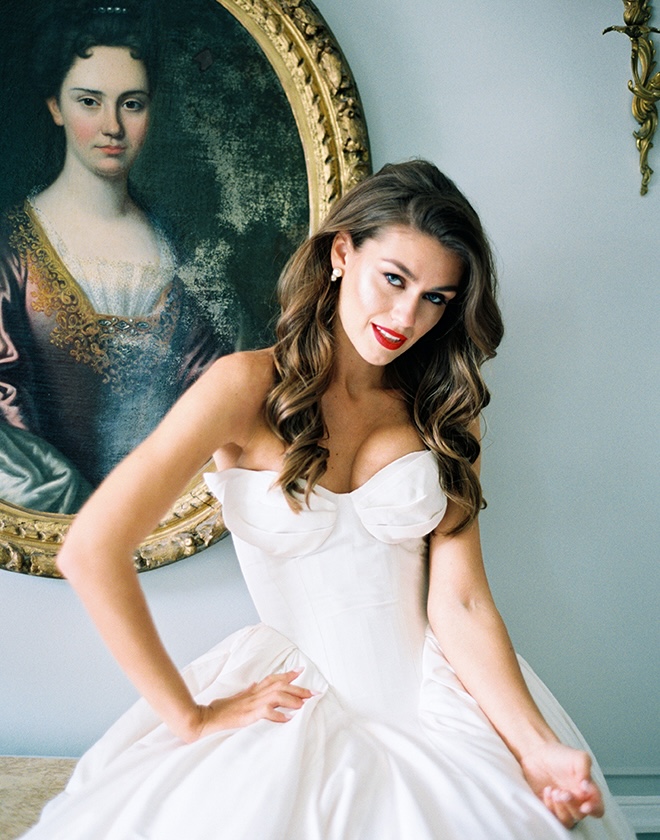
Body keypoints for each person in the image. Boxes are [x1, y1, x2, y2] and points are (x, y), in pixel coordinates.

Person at [21, 161, 634, 839]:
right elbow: (90, 549)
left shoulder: (446, 411)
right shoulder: (242, 386)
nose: (406, 316)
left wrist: (536, 745)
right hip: (298, 713)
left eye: (436, 298)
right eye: (394, 279)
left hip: (440, 712)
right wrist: (190, 716)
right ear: (343, 253)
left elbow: (459, 603)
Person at [0, 2, 230, 514]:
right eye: (89, 101)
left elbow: (215, 396)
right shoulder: (11, 246)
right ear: (56, 107)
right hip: (48, 520)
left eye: (131, 104)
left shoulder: (182, 253)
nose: (112, 126)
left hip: (167, 517)